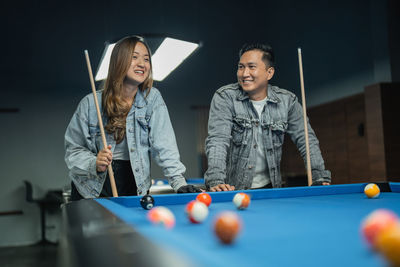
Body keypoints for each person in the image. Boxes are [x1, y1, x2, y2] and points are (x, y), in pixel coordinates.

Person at [65, 35, 200, 200]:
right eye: (134, 57)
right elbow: (73, 151)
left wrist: (179, 183)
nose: (142, 64)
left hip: (134, 182)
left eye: (146, 59)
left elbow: (165, 145)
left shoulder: (153, 98)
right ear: (119, 62)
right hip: (92, 187)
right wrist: (94, 163)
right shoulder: (91, 103)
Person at [204, 43, 331, 192]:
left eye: (251, 67)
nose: (244, 73)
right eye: (241, 67)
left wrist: (319, 177)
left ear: (269, 73)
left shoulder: (288, 101)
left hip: (270, 189)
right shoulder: (225, 97)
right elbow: (218, 140)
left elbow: (307, 140)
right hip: (231, 189)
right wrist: (216, 180)